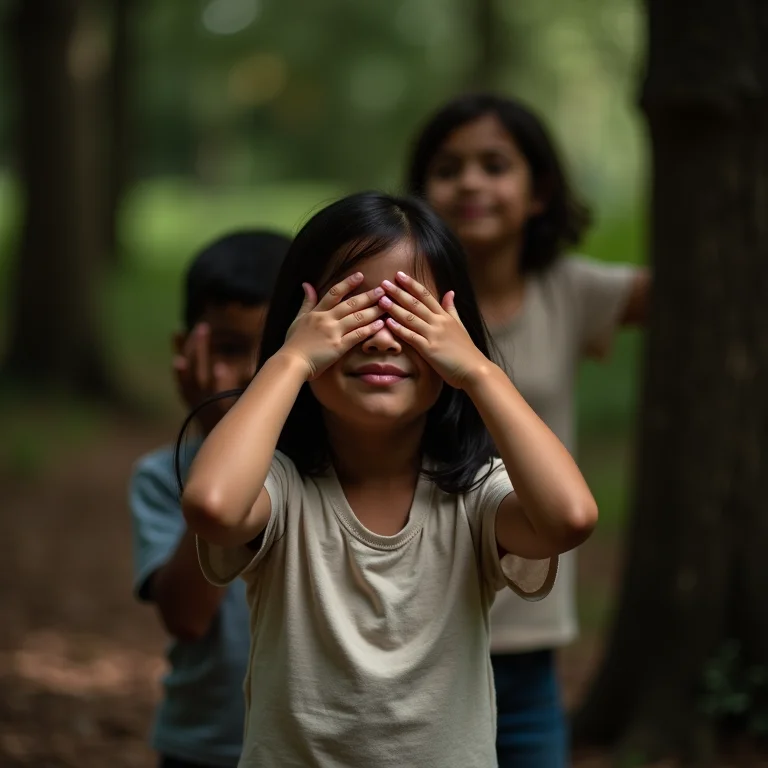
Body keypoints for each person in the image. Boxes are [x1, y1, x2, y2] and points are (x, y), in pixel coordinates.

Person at [179, 191, 598, 768]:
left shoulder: (474, 499)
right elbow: (213, 506)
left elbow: (569, 518)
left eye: (408, 315)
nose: (380, 338)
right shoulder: (283, 490)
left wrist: (478, 369)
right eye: (352, 313)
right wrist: (290, 360)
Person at [407, 93, 651, 767]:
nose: (472, 183)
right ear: (423, 190)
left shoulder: (567, 290)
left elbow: (689, 287)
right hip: (418, 626)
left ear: (538, 191)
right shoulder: (402, 297)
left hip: (528, 636)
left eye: (495, 164)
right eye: (449, 167)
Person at [130, 230, 292, 768]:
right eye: (227, 348)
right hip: (205, 746)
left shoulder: (329, 472)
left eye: (272, 351)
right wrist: (217, 443)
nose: (249, 372)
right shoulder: (162, 477)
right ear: (187, 351)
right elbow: (187, 617)